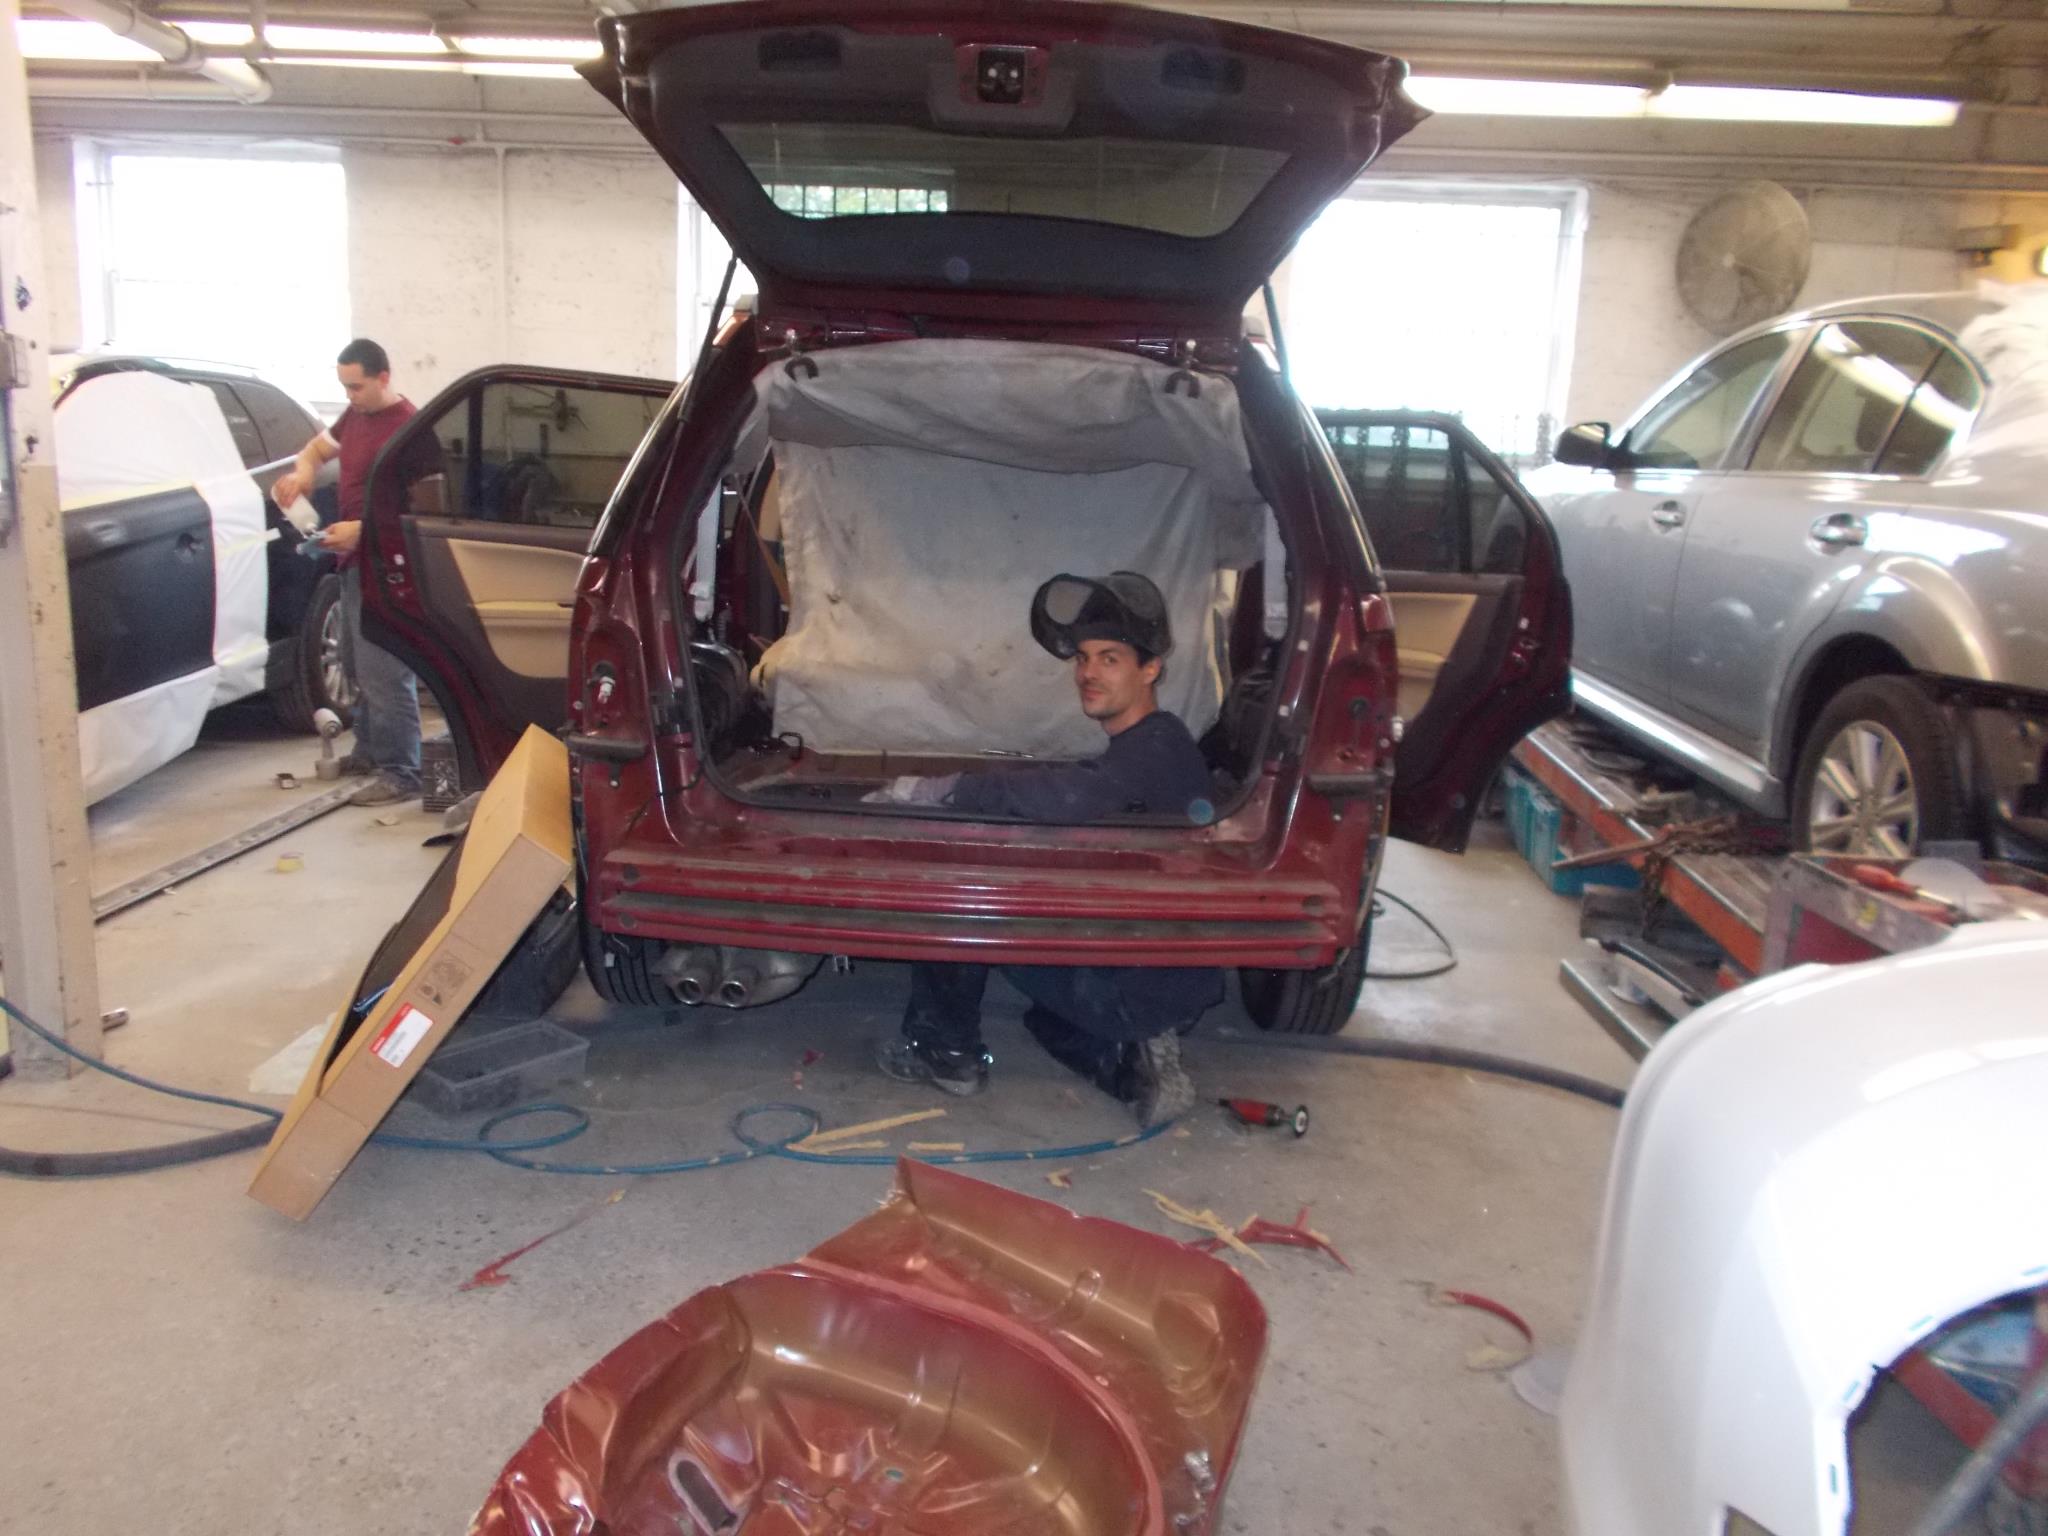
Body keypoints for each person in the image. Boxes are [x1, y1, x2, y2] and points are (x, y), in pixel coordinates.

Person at [870, 571, 1220, 1127]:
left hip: (1133, 977)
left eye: (1109, 659)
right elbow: (1084, 789)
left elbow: (1068, 795)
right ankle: (1134, 1061)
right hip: (1166, 976)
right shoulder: (1153, 745)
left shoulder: (1156, 745)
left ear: (1150, 669)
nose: (1088, 673)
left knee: (958, 886)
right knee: (1042, 1023)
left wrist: (946, 789)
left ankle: (946, 1053)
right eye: (1083, 658)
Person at [272, 339, 423, 808]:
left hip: (389, 568)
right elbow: (316, 450)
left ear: (383, 377)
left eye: (356, 386)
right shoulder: (354, 417)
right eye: (343, 387)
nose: (350, 396)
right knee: (356, 663)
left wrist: (363, 530)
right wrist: (302, 474)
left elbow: (420, 511)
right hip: (354, 563)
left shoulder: (411, 431)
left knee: (384, 671)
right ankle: (370, 752)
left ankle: (402, 771)